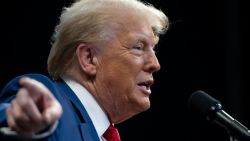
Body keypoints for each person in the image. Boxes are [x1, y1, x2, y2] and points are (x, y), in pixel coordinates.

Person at [0, 0, 169, 140]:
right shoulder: (49, 103)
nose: (155, 64)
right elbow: (12, 116)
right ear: (88, 58)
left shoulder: (102, 133)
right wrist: (23, 127)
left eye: (153, 49)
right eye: (139, 47)